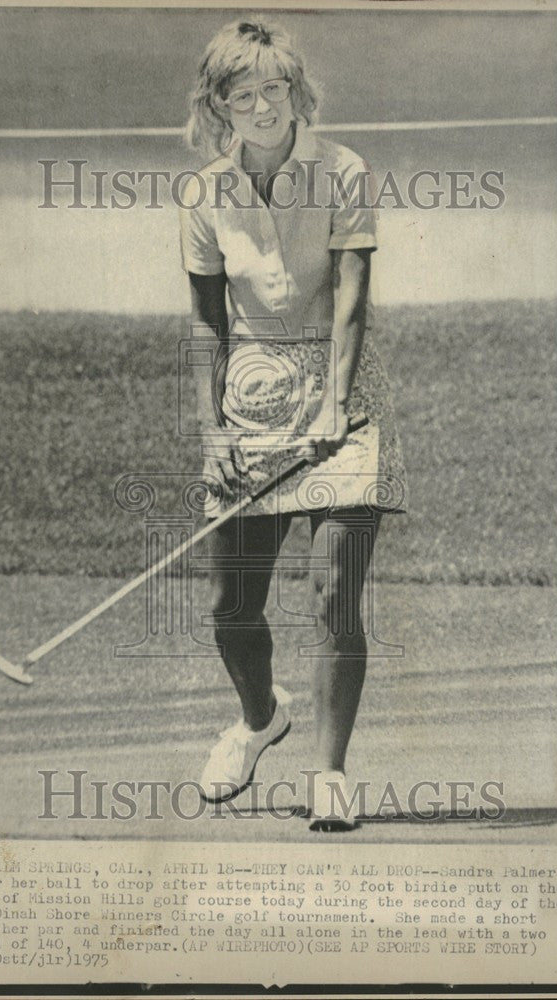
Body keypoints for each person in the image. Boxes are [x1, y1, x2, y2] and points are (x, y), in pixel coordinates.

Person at [178, 17, 407, 831]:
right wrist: (213, 434)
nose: (263, 107)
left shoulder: (342, 170)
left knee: (332, 597)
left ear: (294, 91)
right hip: (250, 401)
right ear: (219, 106)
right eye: (244, 95)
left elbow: (351, 297)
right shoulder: (204, 193)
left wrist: (333, 403)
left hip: (342, 399)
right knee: (229, 611)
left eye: (275, 89)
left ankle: (329, 774)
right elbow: (209, 323)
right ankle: (256, 720)